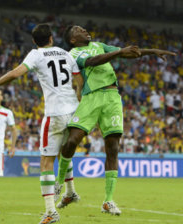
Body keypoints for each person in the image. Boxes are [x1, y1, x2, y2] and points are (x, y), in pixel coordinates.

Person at [56, 25, 176, 215]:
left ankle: (108, 201)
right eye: (79, 30)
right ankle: (59, 183)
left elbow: (128, 53)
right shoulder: (73, 53)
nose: (85, 30)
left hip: (112, 98)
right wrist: (119, 51)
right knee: (72, 140)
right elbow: (92, 62)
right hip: (91, 98)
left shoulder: (100, 45)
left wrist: (152, 51)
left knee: (112, 148)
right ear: (72, 39)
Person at [0, 24, 84, 224]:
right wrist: (78, 104)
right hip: (74, 111)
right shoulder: (66, 54)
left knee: (46, 162)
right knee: (64, 154)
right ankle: (70, 191)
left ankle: (51, 211)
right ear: (51, 38)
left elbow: (16, 74)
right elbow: (79, 82)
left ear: (35, 41)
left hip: (55, 113)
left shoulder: (36, 54)